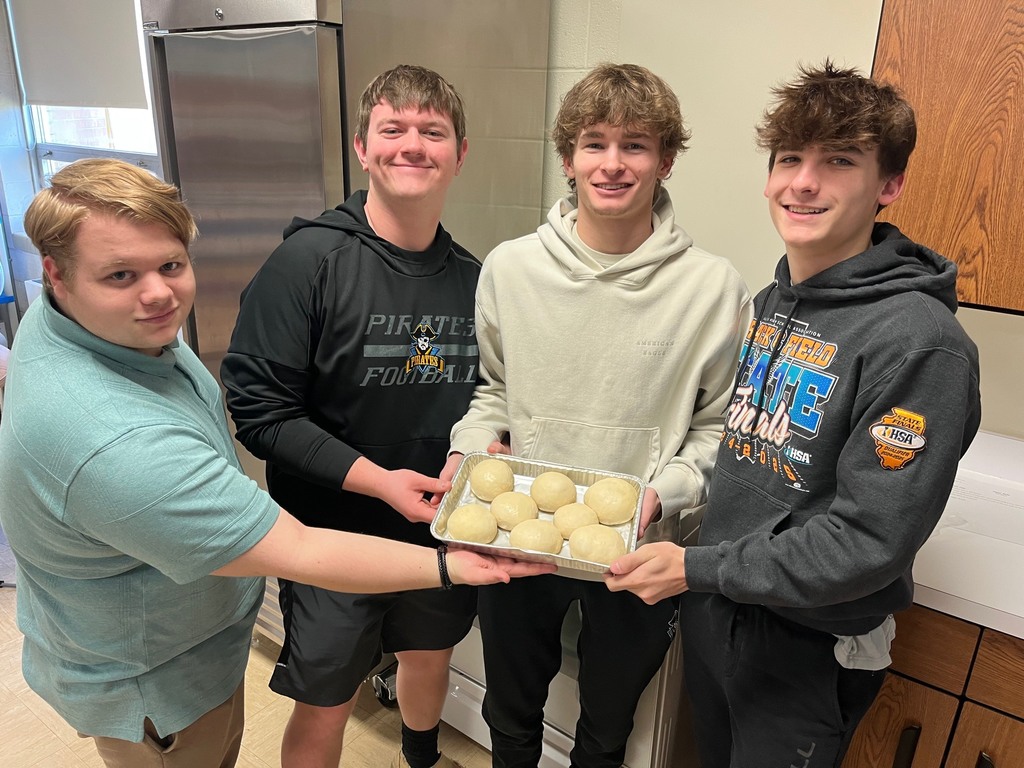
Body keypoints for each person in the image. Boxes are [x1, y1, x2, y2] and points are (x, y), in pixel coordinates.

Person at [0, 157, 552, 768]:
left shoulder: (106, 331)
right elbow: (297, 524)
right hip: (154, 673)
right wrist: (458, 565)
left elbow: (482, 386)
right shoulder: (114, 442)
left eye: (170, 265)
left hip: (202, 628)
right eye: (119, 274)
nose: (157, 293)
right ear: (56, 275)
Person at [606, 61, 982, 766]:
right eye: (789, 159)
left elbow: (866, 543)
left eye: (838, 161)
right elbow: (750, 452)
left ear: (889, 184)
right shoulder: (775, 303)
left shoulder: (922, 345)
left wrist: (697, 569)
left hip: (808, 647)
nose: (803, 183)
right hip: (723, 613)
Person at [439, 63, 752, 768]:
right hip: (522, 531)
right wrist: (469, 448)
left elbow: (717, 429)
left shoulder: (713, 289)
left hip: (639, 548)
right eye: (594, 143)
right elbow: (493, 393)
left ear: (666, 160)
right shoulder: (512, 270)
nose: (612, 164)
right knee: (510, 711)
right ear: (568, 158)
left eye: (635, 144)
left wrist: (660, 494)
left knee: (608, 724)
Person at [220, 65, 483, 768]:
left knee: (429, 662)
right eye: (392, 129)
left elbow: (491, 403)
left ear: (461, 153)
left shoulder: (475, 280)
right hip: (327, 540)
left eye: (433, 131)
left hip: (435, 536)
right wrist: (378, 481)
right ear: (363, 148)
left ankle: (421, 757)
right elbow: (258, 411)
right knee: (326, 700)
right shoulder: (307, 263)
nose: (412, 145)